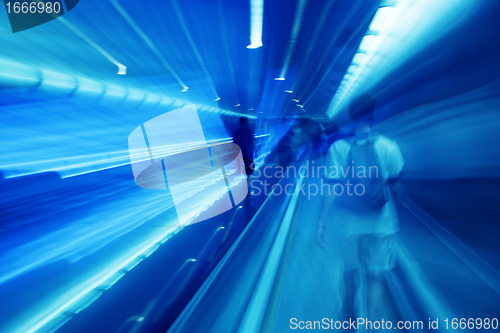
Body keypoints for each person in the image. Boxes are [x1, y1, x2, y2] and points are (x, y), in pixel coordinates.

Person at [317, 94, 405, 322]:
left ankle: (349, 317)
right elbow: (397, 186)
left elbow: (331, 189)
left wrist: (322, 222)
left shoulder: (338, 149)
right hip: (381, 224)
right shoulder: (388, 146)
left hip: (347, 223)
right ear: (374, 116)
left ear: (350, 118)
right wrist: (397, 219)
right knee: (376, 277)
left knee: (350, 270)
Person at [233, 117, 255, 181]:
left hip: (240, 153)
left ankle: (244, 181)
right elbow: (252, 142)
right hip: (248, 152)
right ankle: (249, 183)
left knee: (242, 168)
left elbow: (234, 144)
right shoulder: (249, 131)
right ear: (246, 122)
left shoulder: (236, 132)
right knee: (250, 169)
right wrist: (254, 150)